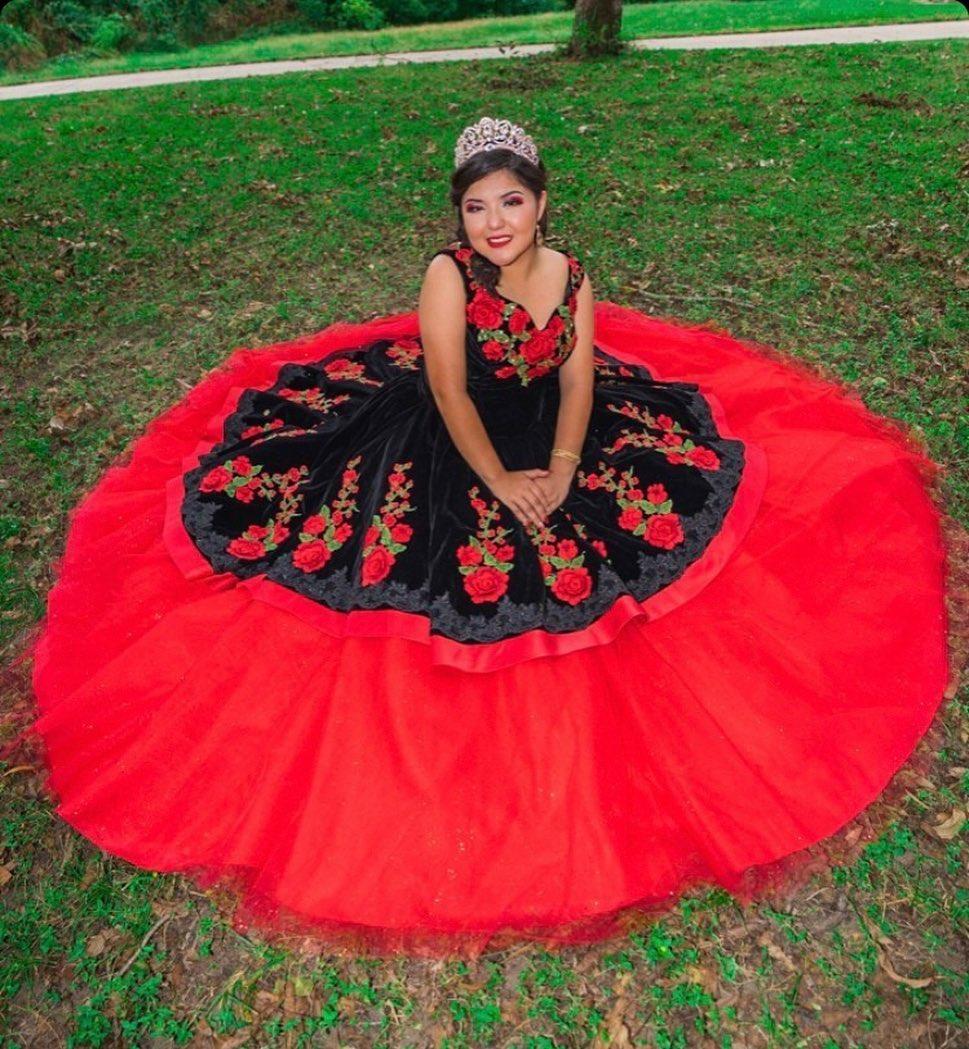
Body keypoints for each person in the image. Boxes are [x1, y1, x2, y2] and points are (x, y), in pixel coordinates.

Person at [6, 116, 958, 960]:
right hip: (443, 438)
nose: (493, 222)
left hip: (552, 433)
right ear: (457, 219)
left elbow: (579, 382)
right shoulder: (446, 278)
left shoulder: (573, 276)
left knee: (634, 546)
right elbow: (451, 391)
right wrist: (501, 482)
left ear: (542, 203)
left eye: (510, 201)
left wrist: (564, 464)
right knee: (392, 569)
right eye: (474, 207)